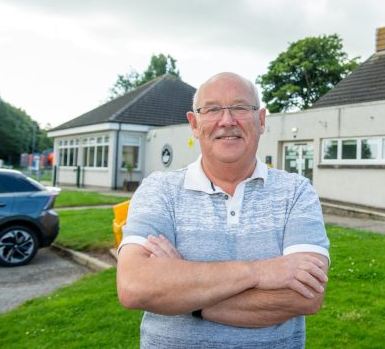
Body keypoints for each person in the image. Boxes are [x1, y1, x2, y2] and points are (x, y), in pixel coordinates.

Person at [116, 72, 330, 348]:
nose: (227, 120)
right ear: (194, 124)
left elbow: (306, 297)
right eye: (213, 109)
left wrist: (187, 294)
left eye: (240, 107)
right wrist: (259, 272)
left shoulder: (296, 192)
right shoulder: (159, 190)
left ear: (261, 120)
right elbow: (135, 286)